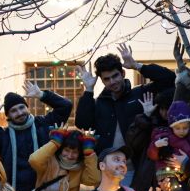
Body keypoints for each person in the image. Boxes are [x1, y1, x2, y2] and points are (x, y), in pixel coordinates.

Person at [75, 45, 175, 184]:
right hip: (107, 170)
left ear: (122, 73)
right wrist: (89, 90)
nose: (112, 81)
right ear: (102, 81)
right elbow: (82, 123)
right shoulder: (99, 103)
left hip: (137, 168)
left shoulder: (140, 94)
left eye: (115, 76)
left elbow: (170, 79)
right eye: (107, 79)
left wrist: (136, 65)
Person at [0, 81, 73, 191]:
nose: (20, 112)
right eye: (14, 111)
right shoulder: (4, 136)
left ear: (27, 108)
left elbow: (66, 106)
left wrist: (42, 95)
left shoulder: (43, 125)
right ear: (8, 116)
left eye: (22, 107)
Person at [125, 88, 174, 191]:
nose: (165, 113)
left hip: (172, 183)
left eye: (168, 108)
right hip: (147, 181)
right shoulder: (151, 124)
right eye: (162, 108)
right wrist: (145, 116)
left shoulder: (184, 128)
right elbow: (132, 142)